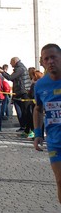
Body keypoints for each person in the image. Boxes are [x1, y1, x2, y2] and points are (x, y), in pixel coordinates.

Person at [33, 43, 61, 203]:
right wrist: (37, 134)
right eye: (46, 59)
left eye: (53, 57)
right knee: (59, 181)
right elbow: (37, 109)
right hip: (55, 142)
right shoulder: (40, 85)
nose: (50, 61)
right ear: (42, 62)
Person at [0, 57, 33, 138]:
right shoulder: (19, 68)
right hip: (20, 92)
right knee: (24, 113)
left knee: (27, 113)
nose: (11, 65)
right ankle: (26, 130)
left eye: (11, 63)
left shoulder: (20, 68)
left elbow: (10, 78)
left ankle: (32, 130)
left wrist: (3, 72)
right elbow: (14, 79)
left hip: (24, 92)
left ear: (15, 61)